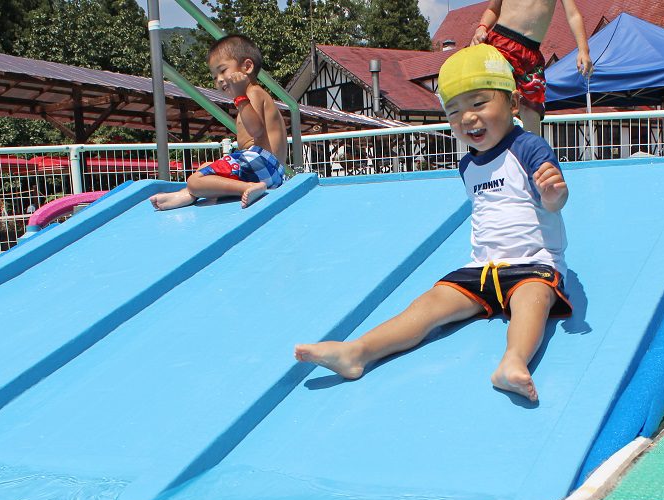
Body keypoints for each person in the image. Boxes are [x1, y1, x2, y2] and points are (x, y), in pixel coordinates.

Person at [294, 45, 573, 403]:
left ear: (514, 104)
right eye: (454, 111)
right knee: (427, 306)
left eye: (478, 104)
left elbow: (554, 201)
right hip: (482, 270)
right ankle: (358, 352)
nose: (467, 118)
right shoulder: (467, 165)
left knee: (532, 298)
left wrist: (553, 195)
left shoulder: (529, 147)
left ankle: (512, 362)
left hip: (534, 265)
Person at [150, 35, 288, 211]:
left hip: (262, 165)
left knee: (195, 180)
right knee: (205, 167)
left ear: (247, 67)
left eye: (223, 71)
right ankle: (189, 194)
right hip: (266, 169)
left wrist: (240, 97)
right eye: (215, 76)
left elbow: (257, 130)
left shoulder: (254, 93)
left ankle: (244, 188)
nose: (219, 79)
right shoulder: (253, 96)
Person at [470, 0, 593, 134]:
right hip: (501, 44)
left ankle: (533, 151)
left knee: (532, 109)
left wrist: (583, 50)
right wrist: (482, 27)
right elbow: (493, 9)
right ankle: (488, 146)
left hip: (531, 55)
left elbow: (573, 15)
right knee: (495, 101)